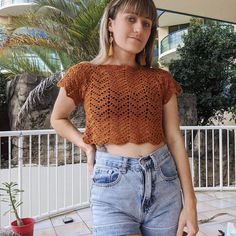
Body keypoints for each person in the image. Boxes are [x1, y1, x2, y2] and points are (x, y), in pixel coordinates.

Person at [50, 0, 198, 235]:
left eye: (146, 23)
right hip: (112, 186)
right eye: (131, 19)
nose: (139, 29)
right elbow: (58, 118)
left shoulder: (160, 79)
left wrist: (191, 204)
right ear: (110, 24)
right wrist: (85, 144)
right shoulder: (84, 73)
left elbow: (174, 138)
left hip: (164, 181)